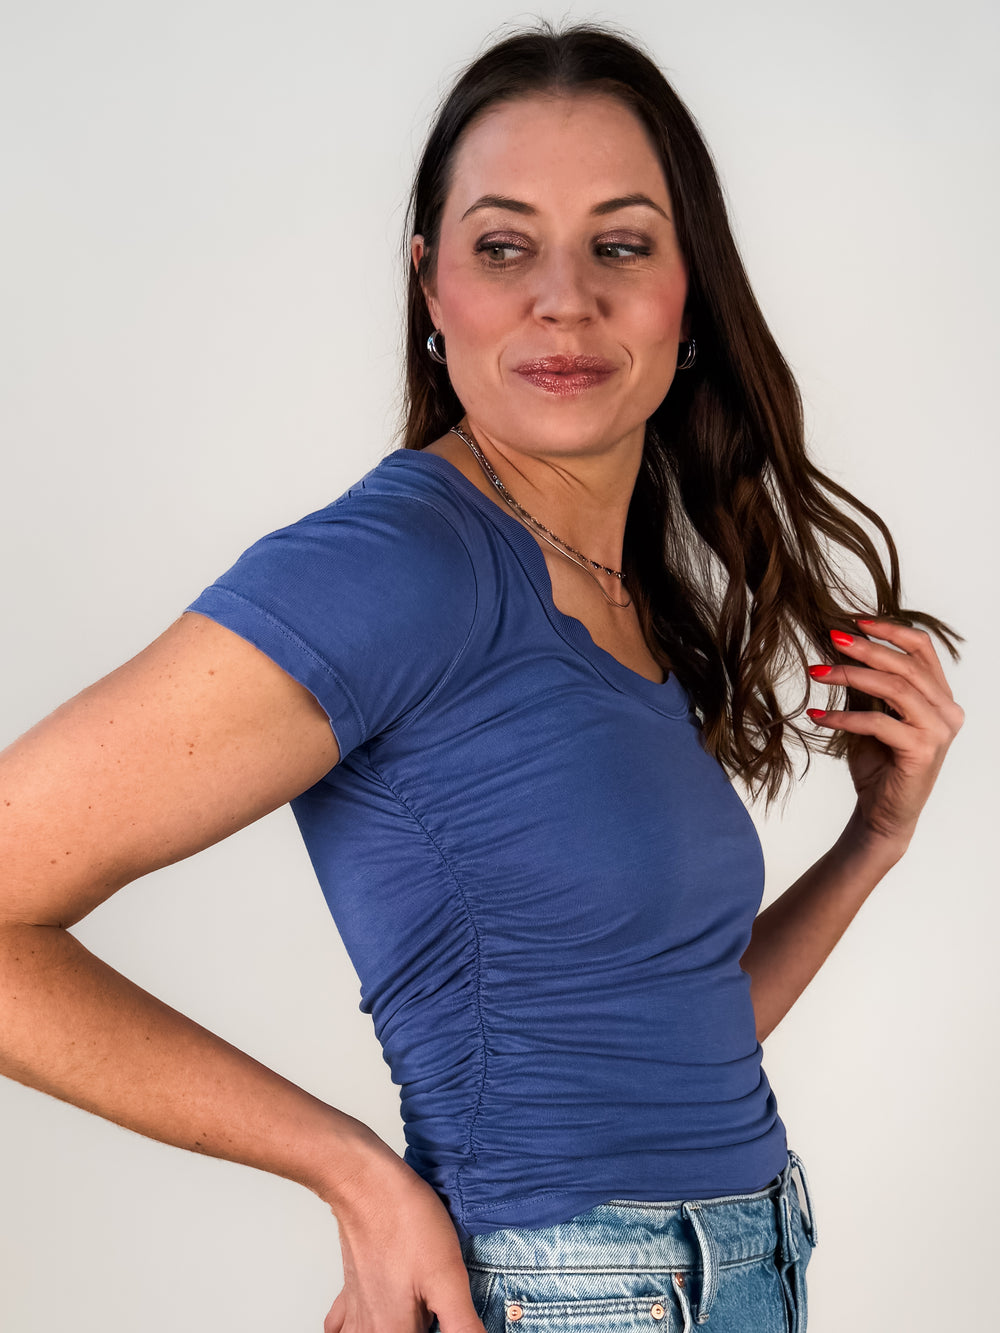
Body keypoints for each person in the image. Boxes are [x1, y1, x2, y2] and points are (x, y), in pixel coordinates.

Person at [0, 21, 963, 1333]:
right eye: (504, 247)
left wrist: (873, 842)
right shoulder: (397, 566)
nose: (563, 299)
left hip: (746, 1267)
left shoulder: (619, 589)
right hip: (569, 1295)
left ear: (690, 292)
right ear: (430, 286)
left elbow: (668, 1034)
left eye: (621, 245)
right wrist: (353, 1171)